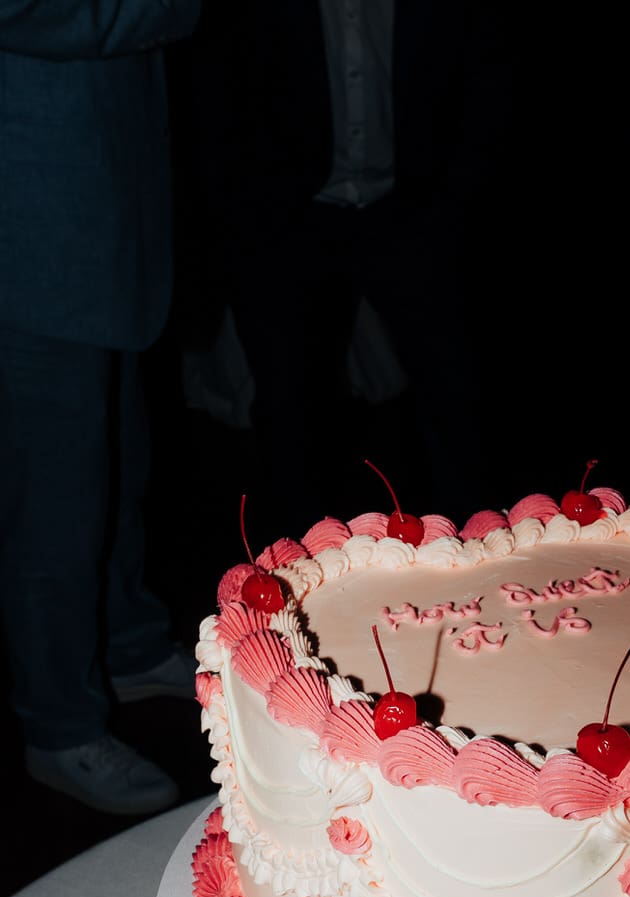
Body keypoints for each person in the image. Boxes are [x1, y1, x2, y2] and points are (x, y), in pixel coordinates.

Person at [169, 0, 523, 536]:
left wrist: (449, 206)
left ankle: (479, 563)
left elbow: (487, 83)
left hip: (411, 210)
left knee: (457, 397)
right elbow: (214, 93)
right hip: (286, 218)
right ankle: (300, 575)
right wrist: (245, 217)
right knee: (288, 408)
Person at [0, 1, 202, 816]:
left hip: (101, 214)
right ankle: (57, 724)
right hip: (26, 231)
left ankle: (125, 643)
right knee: (52, 501)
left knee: (118, 464)